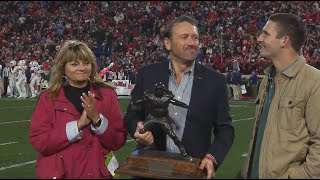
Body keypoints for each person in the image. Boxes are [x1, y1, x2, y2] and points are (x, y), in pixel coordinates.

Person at [124, 15, 234, 179]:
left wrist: (212, 157)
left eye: (195, 37)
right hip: (150, 169)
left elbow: (225, 129)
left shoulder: (215, 81)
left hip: (191, 170)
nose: (192, 42)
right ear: (167, 43)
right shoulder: (148, 74)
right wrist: (137, 127)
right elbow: (132, 114)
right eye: (184, 37)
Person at [29, 40, 127, 179]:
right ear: (63, 67)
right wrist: (77, 126)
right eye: (74, 64)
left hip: (97, 173)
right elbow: (40, 141)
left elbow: (118, 141)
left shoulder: (107, 95)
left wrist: (97, 120)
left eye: (86, 63)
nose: (82, 68)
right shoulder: (48, 97)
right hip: (60, 173)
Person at [240, 13, 320, 178]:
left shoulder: (314, 81)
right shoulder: (267, 79)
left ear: (284, 40)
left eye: (266, 33)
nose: (259, 39)